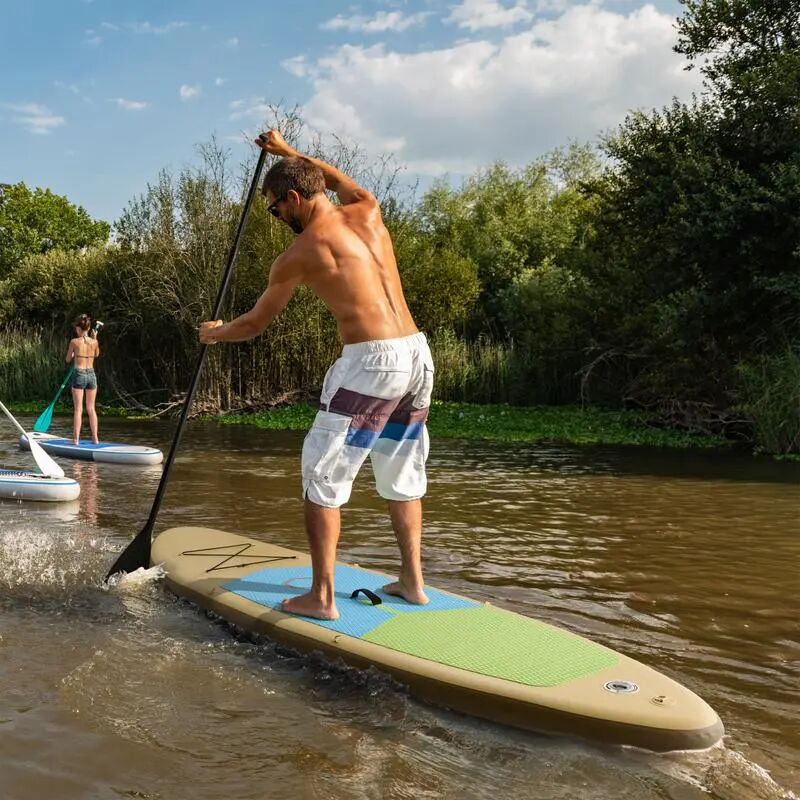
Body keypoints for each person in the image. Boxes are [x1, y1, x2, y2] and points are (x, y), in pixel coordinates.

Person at [199, 130, 435, 621]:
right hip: (417, 354)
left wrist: (216, 334)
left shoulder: (299, 254)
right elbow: (330, 175)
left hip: (371, 362)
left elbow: (255, 324)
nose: (276, 217)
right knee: (402, 470)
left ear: (293, 197)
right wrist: (288, 152)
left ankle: (321, 598)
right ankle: (413, 582)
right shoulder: (367, 208)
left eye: (274, 208)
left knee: (321, 475)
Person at [65, 313, 100, 445]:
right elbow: (96, 354)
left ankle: (75, 440)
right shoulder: (94, 342)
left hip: (79, 374)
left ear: (79, 329)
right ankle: (95, 439)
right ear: (89, 328)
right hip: (91, 375)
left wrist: (74, 353)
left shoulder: (74, 342)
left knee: (78, 410)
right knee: (91, 409)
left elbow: (68, 359)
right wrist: (95, 338)